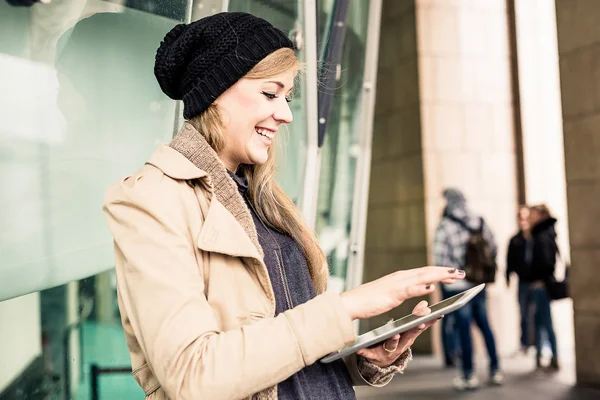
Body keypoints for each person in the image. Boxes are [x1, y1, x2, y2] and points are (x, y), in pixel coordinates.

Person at [102, 12, 466, 400]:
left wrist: (364, 357)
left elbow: (289, 356)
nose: (286, 114)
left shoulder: (265, 200)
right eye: (270, 93)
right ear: (216, 91)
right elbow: (195, 376)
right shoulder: (150, 199)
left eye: (287, 97)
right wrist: (346, 308)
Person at [433, 188, 503, 390]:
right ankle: (496, 370)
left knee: (464, 329)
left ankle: (468, 375)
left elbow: (440, 260)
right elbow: (493, 247)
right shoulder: (478, 220)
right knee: (485, 326)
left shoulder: (446, 225)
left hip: (458, 287)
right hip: (478, 285)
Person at [528, 204, 560, 371]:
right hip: (540, 283)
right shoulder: (543, 233)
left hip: (541, 284)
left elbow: (546, 261)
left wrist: (540, 278)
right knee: (539, 321)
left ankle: (553, 356)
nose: (529, 218)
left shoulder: (542, 234)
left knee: (545, 321)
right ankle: (540, 356)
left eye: (532, 215)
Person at [506, 205, 535, 355]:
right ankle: (525, 343)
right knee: (524, 314)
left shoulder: (535, 237)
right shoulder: (515, 240)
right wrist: (508, 278)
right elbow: (509, 261)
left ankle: (537, 343)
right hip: (523, 282)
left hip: (535, 282)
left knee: (535, 314)